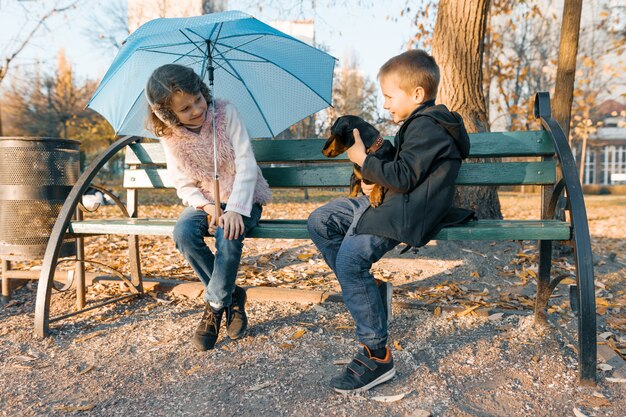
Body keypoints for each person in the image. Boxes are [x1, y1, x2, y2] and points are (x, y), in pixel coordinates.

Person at [307, 49, 472, 393]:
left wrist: (363, 161)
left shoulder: (430, 126)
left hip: (406, 213)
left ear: (416, 94)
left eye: (388, 96)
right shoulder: (419, 124)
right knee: (320, 221)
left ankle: (377, 355)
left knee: (351, 261)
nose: (385, 105)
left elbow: (404, 175)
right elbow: (399, 170)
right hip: (389, 203)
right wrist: (372, 178)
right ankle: (372, 294)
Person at [146, 64, 272, 351]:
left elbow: (246, 164)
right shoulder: (171, 137)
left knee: (228, 232)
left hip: (245, 196)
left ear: (204, 91)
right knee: (183, 232)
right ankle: (232, 295)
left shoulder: (226, 114)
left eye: (198, 100)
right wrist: (207, 205)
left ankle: (215, 305)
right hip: (205, 201)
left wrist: (234, 209)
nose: (196, 110)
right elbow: (182, 184)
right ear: (169, 115)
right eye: (185, 108)